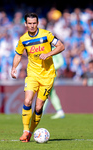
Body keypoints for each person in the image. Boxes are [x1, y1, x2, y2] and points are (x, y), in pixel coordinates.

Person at [11, 12, 65, 142]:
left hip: (48, 76)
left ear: (37, 23)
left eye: (34, 23)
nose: (32, 26)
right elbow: (18, 54)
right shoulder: (23, 39)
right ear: (25, 24)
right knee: (27, 101)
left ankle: (30, 132)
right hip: (32, 75)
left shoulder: (47, 35)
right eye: (29, 23)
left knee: (39, 107)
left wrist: (49, 53)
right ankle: (25, 131)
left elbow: (61, 46)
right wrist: (13, 68)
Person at [43, 51, 65, 119]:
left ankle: (40, 112)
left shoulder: (55, 49)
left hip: (51, 73)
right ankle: (60, 111)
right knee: (51, 93)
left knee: (44, 92)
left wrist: (53, 67)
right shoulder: (46, 49)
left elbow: (61, 62)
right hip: (46, 73)